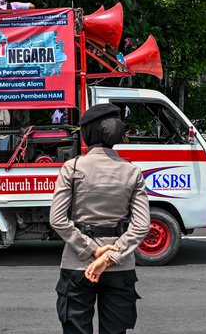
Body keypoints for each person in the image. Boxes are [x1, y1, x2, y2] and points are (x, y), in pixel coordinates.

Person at [49, 103, 151, 334]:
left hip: (77, 262)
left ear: (86, 134)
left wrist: (92, 251)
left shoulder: (72, 167)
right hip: (120, 264)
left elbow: (57, 219)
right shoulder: (132, 171)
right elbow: (141, 225)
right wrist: (110, 256)